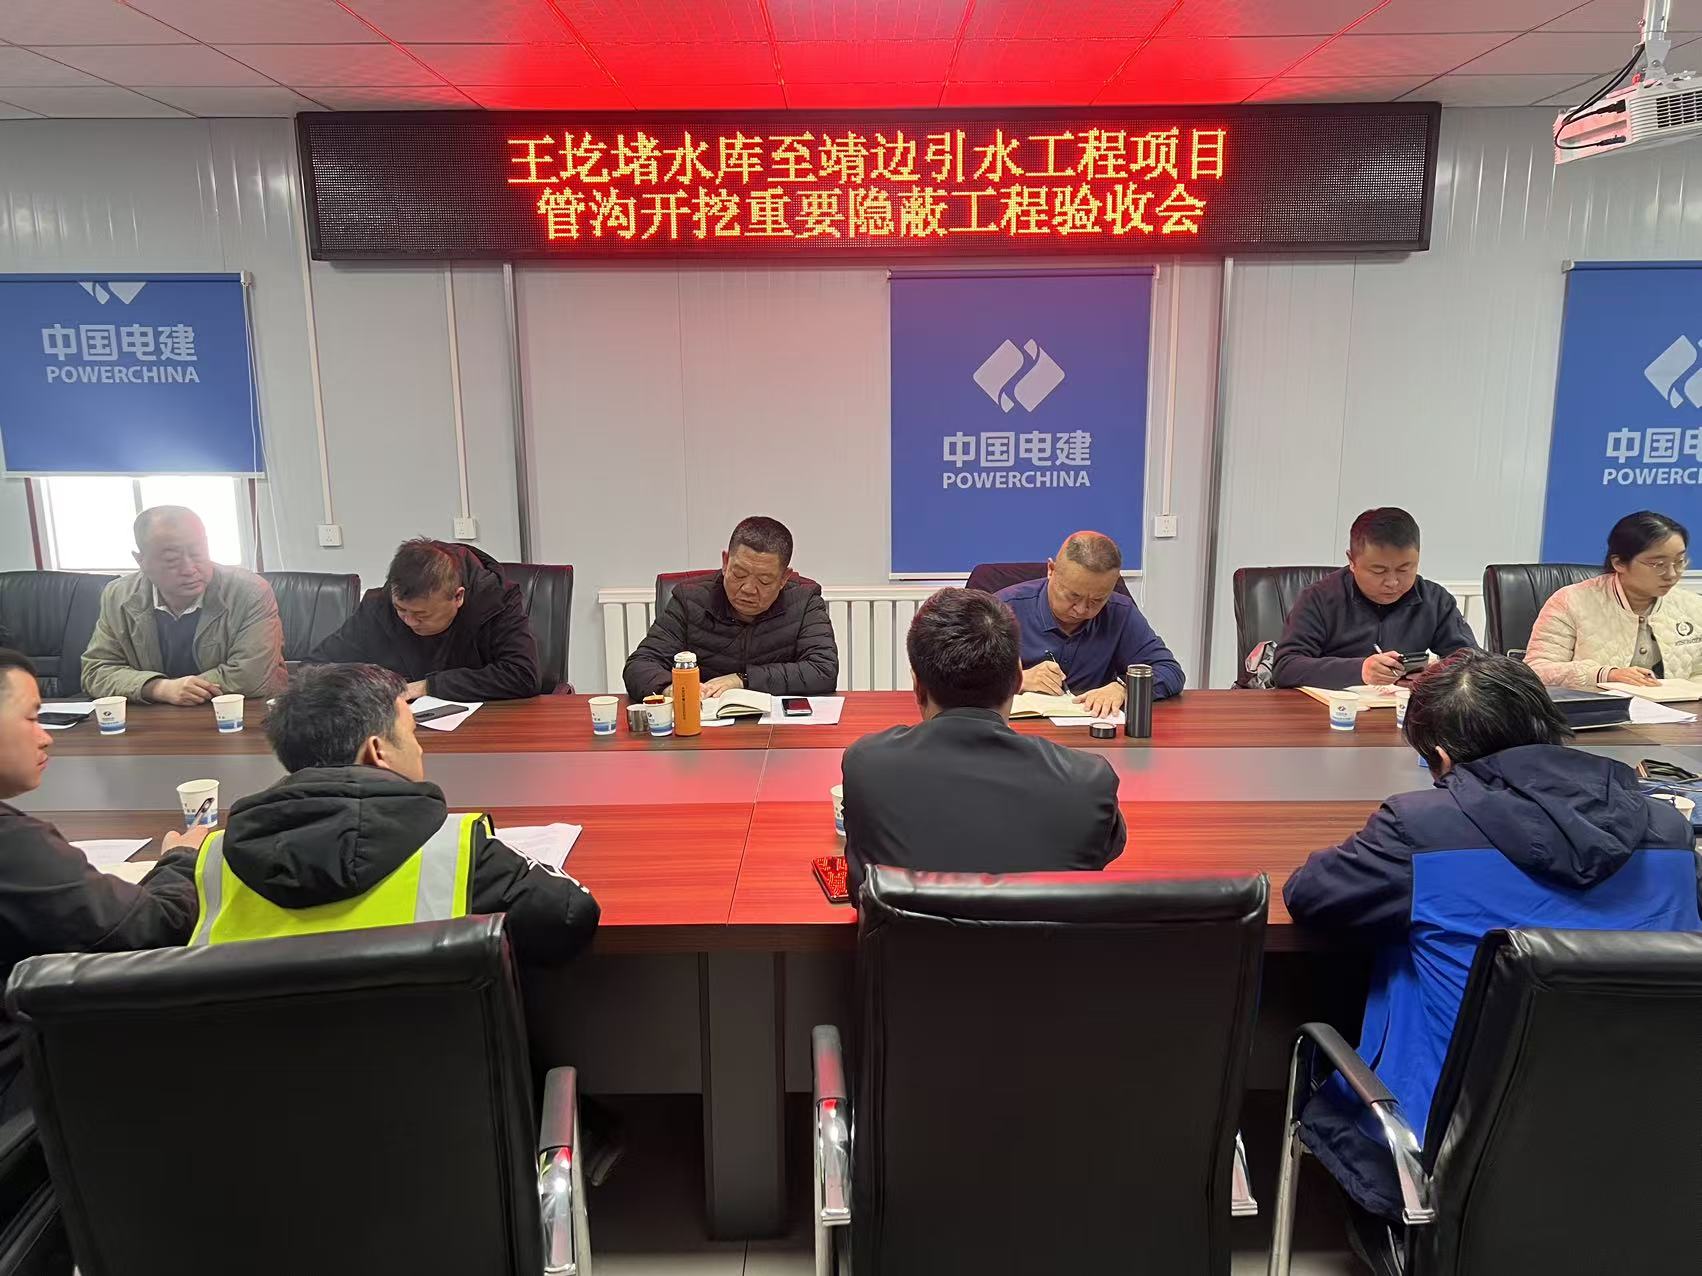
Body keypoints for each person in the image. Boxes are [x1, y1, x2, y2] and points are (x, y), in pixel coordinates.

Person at [1283, 651, 1699, 1264]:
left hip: (1453, 1165)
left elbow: (1311, 896)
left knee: (1397, 949)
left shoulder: (1423, 828)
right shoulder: (1669, 831)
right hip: (1653, 1150)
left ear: (1442, 759)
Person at [192, 663, 597, 961]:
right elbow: (570, 913)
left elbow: (153, 933)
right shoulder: (454, 851)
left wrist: (179, 857)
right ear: (378, 751)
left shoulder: (211, 863)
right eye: (411, 733)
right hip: (430, 1054)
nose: (419, 748)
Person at [0, 648, 202, 1118]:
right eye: (31, 718)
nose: (45, 737)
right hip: (27, 1094)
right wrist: (181, 859)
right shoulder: (12, 848)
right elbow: (154, 929)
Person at [840, 588, 1126, 901]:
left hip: (908, 936)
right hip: (1041, 934)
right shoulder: (1088, 781)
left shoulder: (868, 766)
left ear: (917, 685)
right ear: (1018, 680)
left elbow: (859, 886)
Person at [81, 505, 286, 704]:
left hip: (239, 712)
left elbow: (251, 676)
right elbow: (96, 672)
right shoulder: (118, 596)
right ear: (140, 560)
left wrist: (185, 690)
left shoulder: (249, 592)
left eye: (197, 553)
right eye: (172, 559)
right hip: (152, 717)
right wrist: (159, 688)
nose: (189, 568)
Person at [623, 516, 838, 700]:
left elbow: (823, 670)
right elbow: (640, 664)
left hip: (777, 727)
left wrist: (743, 680)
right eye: (739, 574)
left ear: (784, 578)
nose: (748, 589)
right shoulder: (690, 599)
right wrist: (672, 689)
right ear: (725, 562)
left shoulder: (804, 600)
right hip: (704, 722)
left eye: (764, 580)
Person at [308, 538, 540, 701]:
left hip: (484, 728)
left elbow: (522, 675)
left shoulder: (494, 600)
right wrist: (370, 685)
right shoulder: (379, 605)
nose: (409, 621)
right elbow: (316, 667)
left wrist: (427, 687)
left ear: (458, 597)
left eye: (421, 615)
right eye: (401, 610)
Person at [1273, 507, 1476, 691]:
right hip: (1332, 711)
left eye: (1405, 569)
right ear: (1352, 561)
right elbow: (1285, 668)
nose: (1392, 582)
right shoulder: (1319, 598)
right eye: (1379, 571)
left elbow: (1473, 662)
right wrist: (1360, 670)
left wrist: (1436, 674)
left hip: (1404, 712)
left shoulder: (1435, 600)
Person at [995, 531, 1183, 717]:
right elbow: (975, 677)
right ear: (1051, 570)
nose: (1082, 609)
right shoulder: (1002, 608)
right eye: (1073, 596)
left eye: (1097, 600)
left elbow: (1170, 671)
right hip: (1020, 730)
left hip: (1095, 727)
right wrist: (1018, 680)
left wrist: (1125, 688)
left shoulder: (1119, 612)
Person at [1525, 510, 1702, 690]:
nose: (1671, 574)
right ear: (1619, 563)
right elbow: (1537, 669)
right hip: (1595, 706)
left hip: (1676, 707)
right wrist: (1605, 675)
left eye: (1679, 561)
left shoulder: (1694, 606)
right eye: (1658, 564)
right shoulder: (1571, 601)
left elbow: (1698, 673)